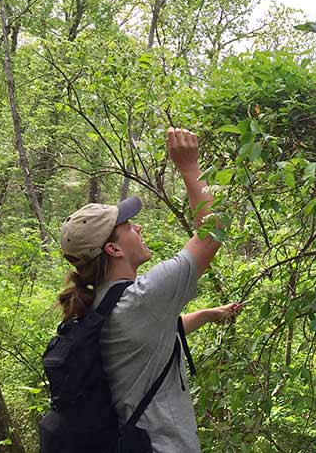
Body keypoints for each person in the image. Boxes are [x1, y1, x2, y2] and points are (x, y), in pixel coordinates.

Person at [57, 128, 240, 452]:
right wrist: (188, 166)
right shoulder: (142, 298)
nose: (137, 226)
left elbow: (152, 338)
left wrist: (208, 315)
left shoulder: (103, 304)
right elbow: (211, 235)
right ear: (113, 250)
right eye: (128, 226)